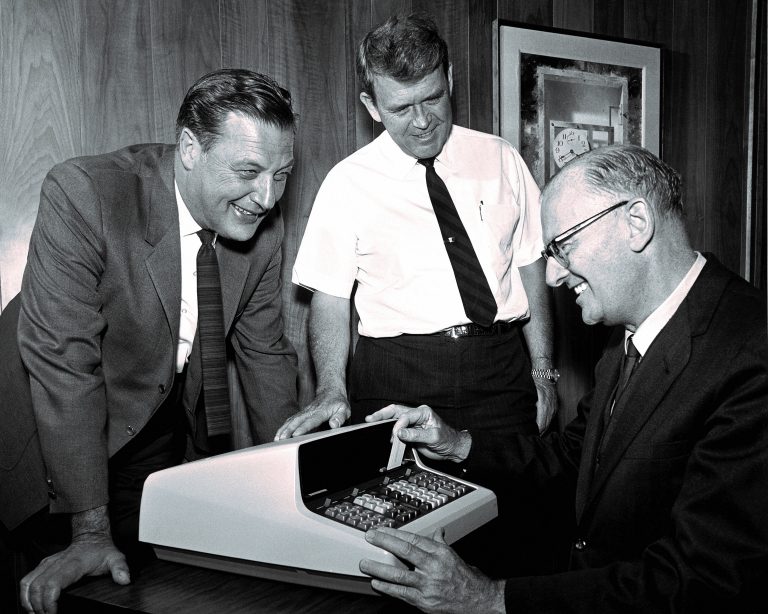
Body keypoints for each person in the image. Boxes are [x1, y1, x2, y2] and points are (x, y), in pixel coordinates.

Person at [360, 144, 768, 613]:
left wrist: (492, 599)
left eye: (563, 245)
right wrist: (458, 444)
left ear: (636, 223)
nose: (551, 276)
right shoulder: (626, 336)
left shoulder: (749, 353)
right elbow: (576, 458)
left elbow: (705, 582)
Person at [0, 68, 299, 614]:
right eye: (250, 171)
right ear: (190, 148)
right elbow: (65, 367)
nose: (268, 197)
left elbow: (267, 358)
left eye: (282, 174)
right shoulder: (85, 192)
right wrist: (89, 529)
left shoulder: (263, 230)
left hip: (152, 430)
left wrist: (296, 489)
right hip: (49, 432)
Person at [278, 12, 556, 456]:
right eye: (401, 108)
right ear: (371, 106)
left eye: (432, 98)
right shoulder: (347, 183)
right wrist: (332, 388)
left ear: (449, 78)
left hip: (501, 372)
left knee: (516, 506)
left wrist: (543, 371)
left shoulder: (501, 160)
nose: (423, 120)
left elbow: (530, 267)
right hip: (396, 378)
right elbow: (329, 300)